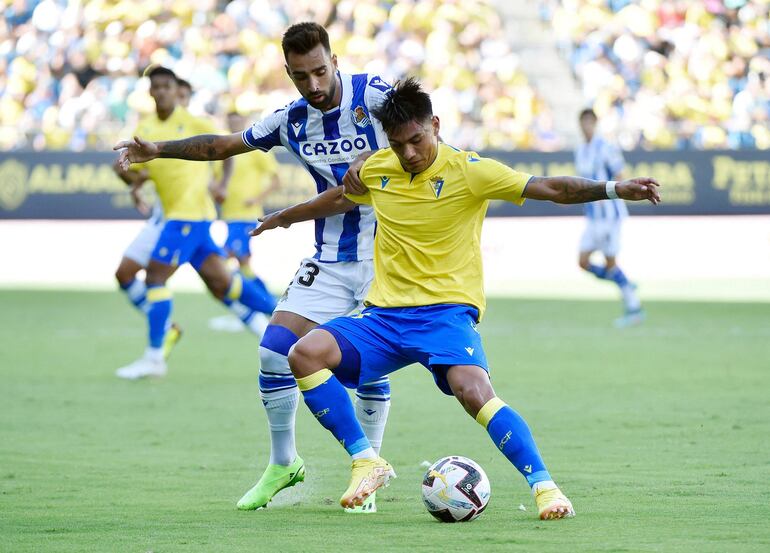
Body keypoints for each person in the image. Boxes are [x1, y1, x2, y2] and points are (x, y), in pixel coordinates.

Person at [253, 78, 661, 519]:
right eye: (397, 144)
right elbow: (338, 198)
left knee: (474, 391)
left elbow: (552, 188)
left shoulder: (470, 170)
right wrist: (282, 218)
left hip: (445, 315)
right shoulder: (378, 168)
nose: (409, 153)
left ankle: (546, 489)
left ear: (436, 125)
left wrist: (615, 189)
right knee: (304, 354)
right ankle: (367, 461)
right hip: (385, 317)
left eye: (416, 140)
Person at [114, 23, 394, 513]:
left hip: (389, 255)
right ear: (288, 72)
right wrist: (157, 150)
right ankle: (284, 463)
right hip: (329, 257)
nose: (313, 85)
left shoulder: (373, 93)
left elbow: (426, 135)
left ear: (335, 60)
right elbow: (222, 146)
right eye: (301, 76)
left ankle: (367, 474)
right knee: (272, 352)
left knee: (368, 366)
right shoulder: (290, 120)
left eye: (321, 72)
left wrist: (382, 157)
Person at [113, 65, 275, 380]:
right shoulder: (144, 128)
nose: (161, 92)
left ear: (176, 91)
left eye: (166, 86)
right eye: (155, 86)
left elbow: (225, 150)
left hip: (186, 217)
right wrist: (132, 183)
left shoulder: (195, 123)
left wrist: (222, 182)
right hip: (181, 218)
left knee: (155, 279)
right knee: (224, 284)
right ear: (149, 92)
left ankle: (154, 357)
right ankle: (281, 319)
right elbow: (134, 169)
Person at [208, 111, 280, 334]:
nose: (234, 123)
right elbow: (217, 182)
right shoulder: (224, 149)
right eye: (231, 120)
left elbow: (276, 180)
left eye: (238, 119)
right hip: (230, 214)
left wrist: (256, 199)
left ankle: (260, 307)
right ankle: (272, 308)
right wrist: (216, 193)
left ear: (244, 121)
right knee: (244, 264)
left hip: (247, 215)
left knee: (225, 256)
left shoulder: (255, 148)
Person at [575, 108, 644, 327]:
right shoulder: (580, 151)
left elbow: (621, 175)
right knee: (583, 262)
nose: (586, 126)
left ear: (594, 123)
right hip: (592, 216)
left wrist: (610, 195)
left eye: (589, 122)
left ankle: (634, 308)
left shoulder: (605, 148)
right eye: (583, 122)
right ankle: (624, 283)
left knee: (611, 263)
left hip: (609, 216)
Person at [112, 164, 182, 359]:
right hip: (158, 222)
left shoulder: (196, 136)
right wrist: (136, 182)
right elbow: (120, 168)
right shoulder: (150, 133)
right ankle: (167, 328)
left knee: (155, 281)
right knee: (124, 274)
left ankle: (154, 357)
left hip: (184, 222)